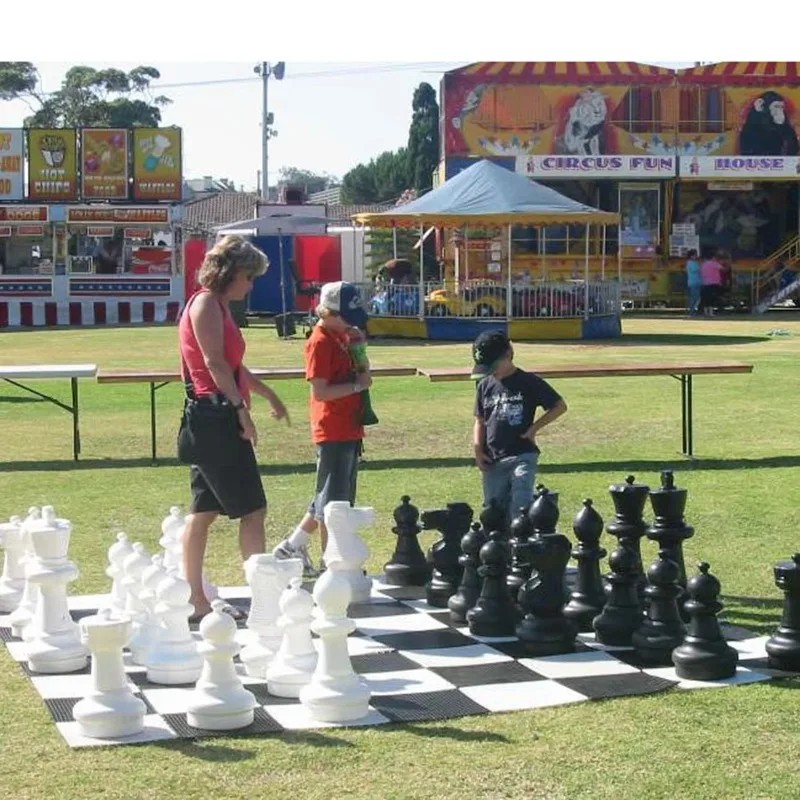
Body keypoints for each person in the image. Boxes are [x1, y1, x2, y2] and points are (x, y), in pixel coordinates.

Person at [178, 235, 289, 621]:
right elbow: (214, 364)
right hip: (215, 417)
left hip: (211, 415)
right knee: (253, 509)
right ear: (231, 273)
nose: (251, 284)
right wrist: (242, 409)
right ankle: (263, 601)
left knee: (203, 512)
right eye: (249, 276)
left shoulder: (219, 305)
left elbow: (234, 366)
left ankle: (196, 600)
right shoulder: (207, 303)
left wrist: (268, 393)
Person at [272, 281, 371, 575]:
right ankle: (333, 563)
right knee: (334, 505)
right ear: (327, 312)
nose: (350, 325)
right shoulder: (319, 341)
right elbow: (321, 392)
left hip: (350, 425)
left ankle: (293, 545)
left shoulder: (342, 336)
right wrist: (356, 385)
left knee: (335, 496)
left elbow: (363, 373)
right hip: (332, 427)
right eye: (345, 318)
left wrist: (360, 350)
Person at [471, 330, 568, 523]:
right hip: (493, 459)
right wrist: (477, 449)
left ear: (509, 354)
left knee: (521, 503)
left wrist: (533, 429)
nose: (492, 373)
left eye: (494, 367)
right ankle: (501, 548)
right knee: (494, 508)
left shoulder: (529, 382)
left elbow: (559, 406)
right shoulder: (484, 385)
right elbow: (480, 420)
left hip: (522, 454)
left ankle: (522, 543)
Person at [699, 251, 725, 317]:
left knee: (705, 299)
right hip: (713, 283)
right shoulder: (714, 263)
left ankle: (706, 313)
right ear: (713, 257)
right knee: (711, 299)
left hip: (705, 283)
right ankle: (711, 313)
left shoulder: (703, 264)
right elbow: (722, 268)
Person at [685, 249, 702, 315]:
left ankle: (694, 309)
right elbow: (697, 270)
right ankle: (692, 311)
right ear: (691, 256)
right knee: (694, 297)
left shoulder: (696, 262)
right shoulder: (689, 263)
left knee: (697, 297)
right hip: (693, 282)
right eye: (695, 255)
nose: (696, 256)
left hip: (698, 282)